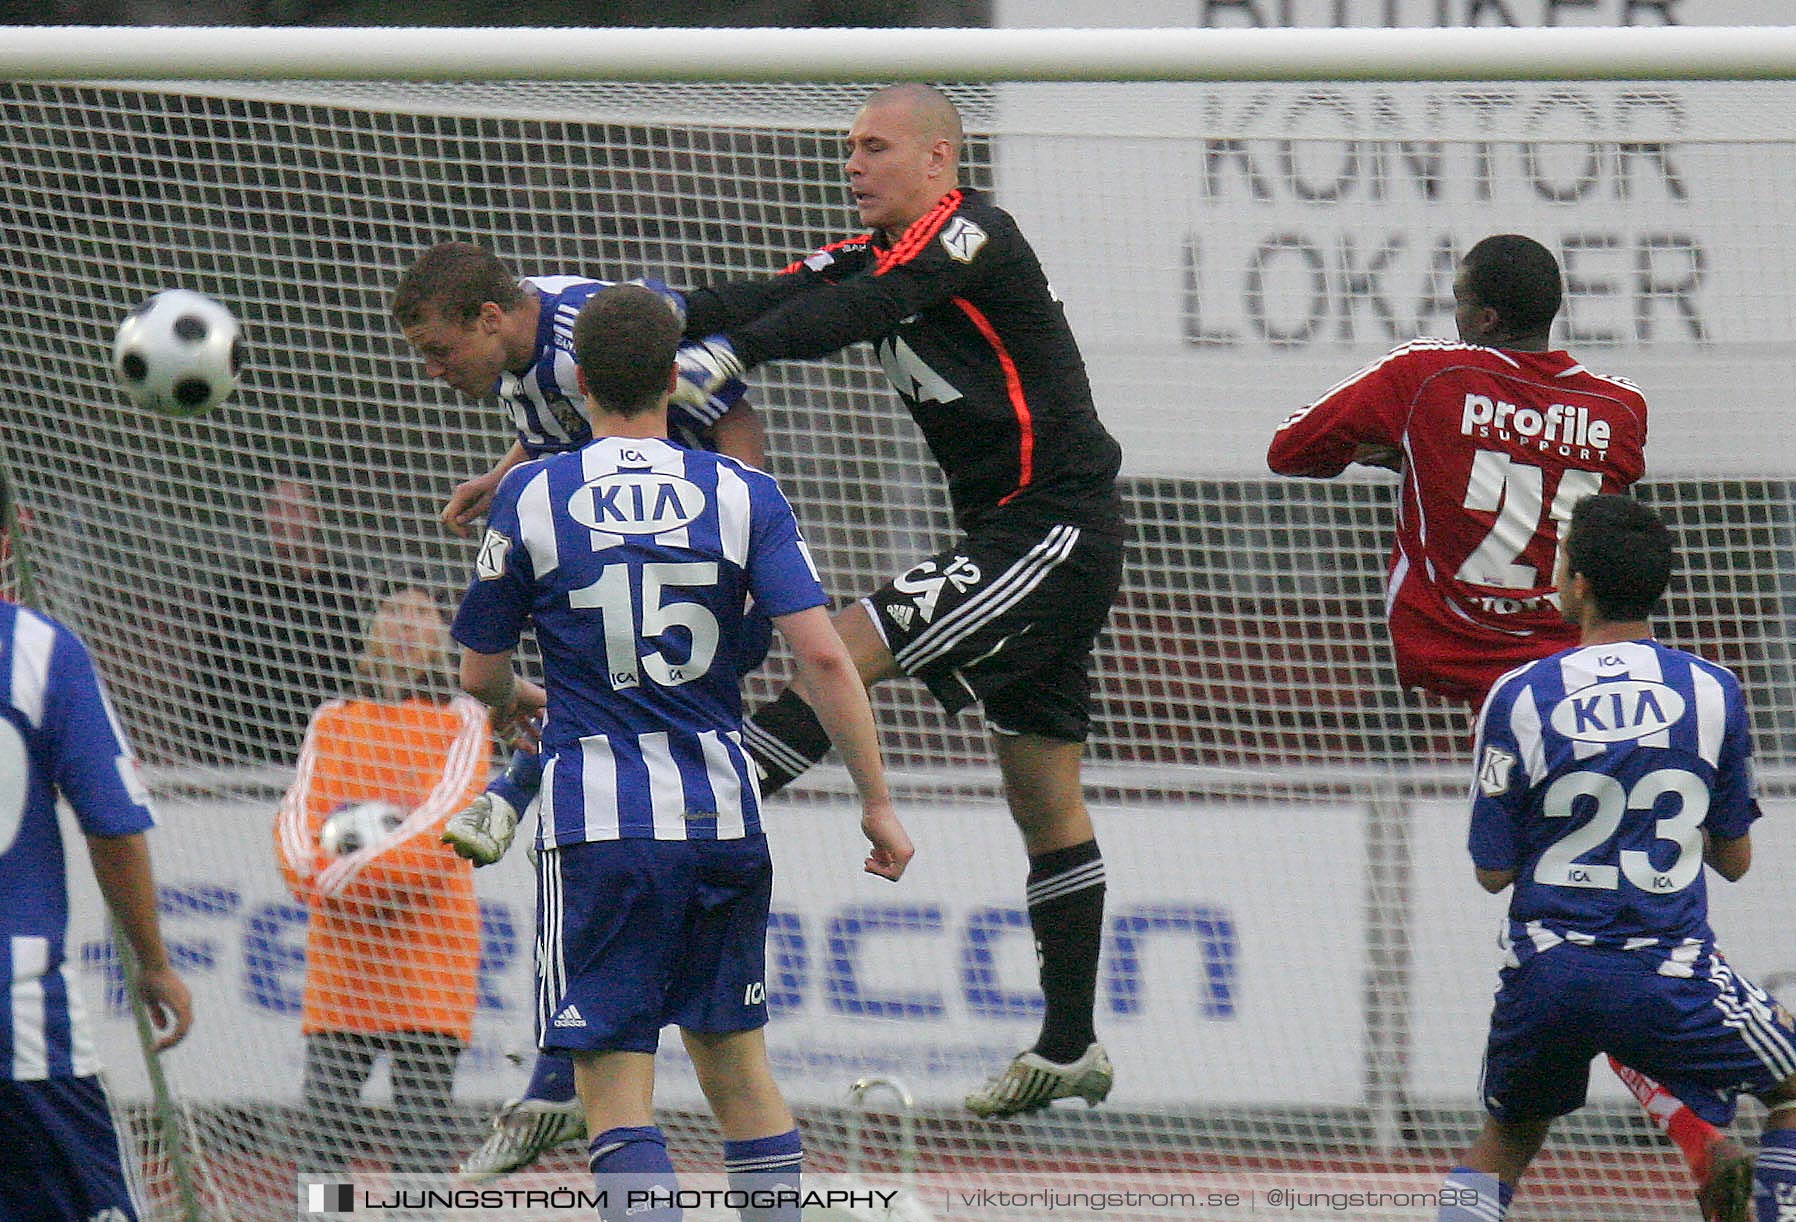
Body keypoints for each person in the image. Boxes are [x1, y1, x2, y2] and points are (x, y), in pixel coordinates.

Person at [668, 81, 1127, 1119]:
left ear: (936, 160)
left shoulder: (972, 234)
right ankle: (1069, 1045)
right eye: (847, 148)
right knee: (1040, 794)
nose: (853, 164)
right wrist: (641, 316)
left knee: (846, 643)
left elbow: (864, 307)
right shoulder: (868, 253)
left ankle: (696, 809)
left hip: (1052, 523)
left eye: (874, 146)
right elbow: (759, 296)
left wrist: (735, 353)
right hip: (1017, 534)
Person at [1266, 235, 1748, 1219]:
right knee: (1615, 935)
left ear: (1480, 313)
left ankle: (1677, 1130)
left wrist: (1390, 451)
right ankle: (1695, 1126)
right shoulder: (1619, 408)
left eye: (1457, 298)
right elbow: (1600, 520)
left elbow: (1289, 451)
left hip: (1466, 679)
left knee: (1569, 945)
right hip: (1580, 683)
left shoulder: (1424, 377)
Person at [450, 283, 913, 1219]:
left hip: (600, 827)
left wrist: (524, 701)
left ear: (577, 382)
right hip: (723, 818)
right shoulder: (745, 493)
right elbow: (824, 655)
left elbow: (478, 673)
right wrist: (876, 799)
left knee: (616, 1095)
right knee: (741, 1073)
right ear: (675, 376)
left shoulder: (536, 492)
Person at [392, 241, 777, 1179]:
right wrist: (510, 471)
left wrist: (759, 551)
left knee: (585, 699)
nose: (438, 374)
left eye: (442, 352)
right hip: (694, 743)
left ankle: (515, 793)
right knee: (732, 1060)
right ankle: (519, 791)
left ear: (492, 320)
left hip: (687, 592)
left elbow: (728, 415)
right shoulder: (541, 361)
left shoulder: (582, 340)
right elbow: (577, 433)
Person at [1434, 493, 1796, 1222]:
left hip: (1547, 972)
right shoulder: (1713, 691)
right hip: (1668, 973)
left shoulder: (1518, 696)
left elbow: (1491, 871)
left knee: (1507, 1138)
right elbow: (1735, 861)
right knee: (1791, 1084)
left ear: (1578, 586)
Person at [0, 470, 195, 1219]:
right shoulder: (39, 651)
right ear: (9, 541)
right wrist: (153, 961)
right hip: (17, 1014)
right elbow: (111, 825)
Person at [272, 579, 490, 1177]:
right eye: (394, 611)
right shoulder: (333, 720)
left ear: (441, 641)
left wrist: (343, 878)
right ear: (371, 631)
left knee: (419, 1143)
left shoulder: (463, 720)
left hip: (428, 965)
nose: (406, 624)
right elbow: (297, 816)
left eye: (423, 614)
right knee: (326, 1144)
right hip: (343, 968)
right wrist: (313, 876)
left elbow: (445, 825)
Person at [196, 476, 365, 765]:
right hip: (250, 758)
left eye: (294, 509)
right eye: (275, 508)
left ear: (315, 517)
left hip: (331, 755)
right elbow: (212, 680)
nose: (282, 519)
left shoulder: (348, 594)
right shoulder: (237, 594)